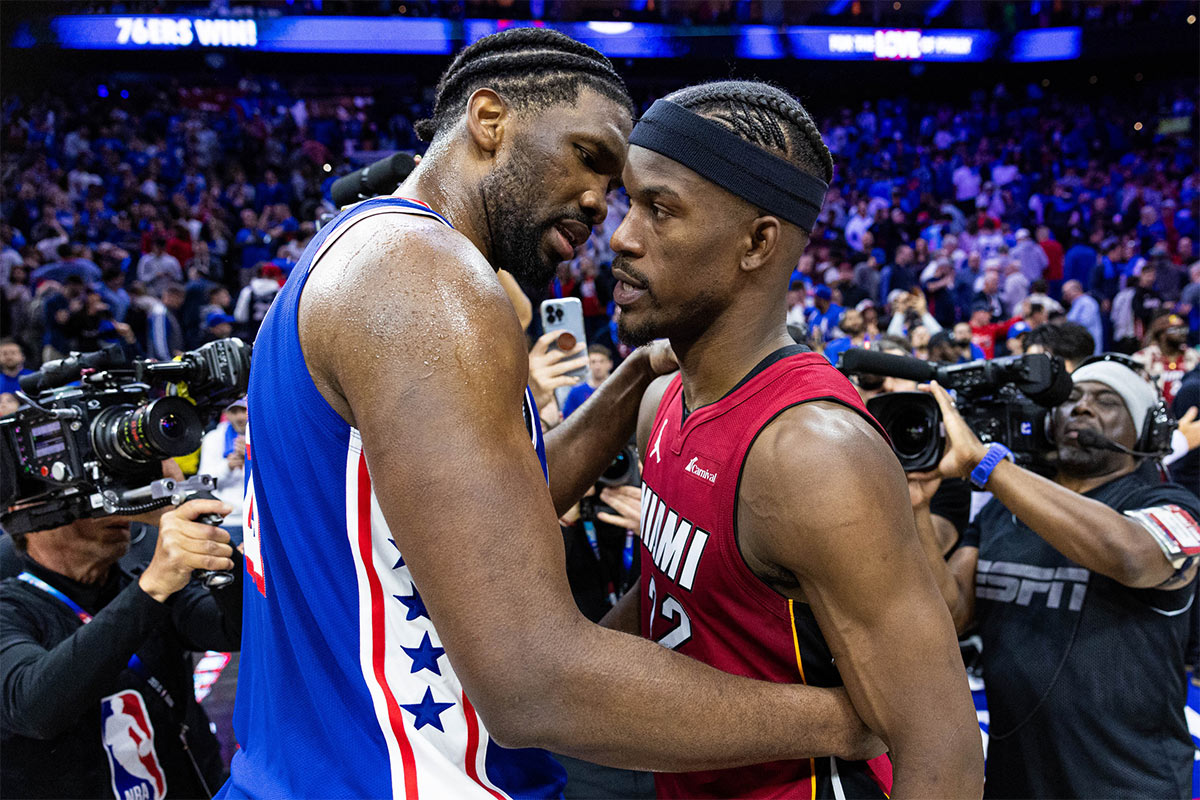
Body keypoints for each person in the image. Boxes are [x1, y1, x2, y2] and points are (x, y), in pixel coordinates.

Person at [223, 31, 881, 800]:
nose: (603, 203)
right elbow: (535, 681)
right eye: (589, 157)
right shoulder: (432, 282)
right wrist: (847, 721)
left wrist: (632, 376)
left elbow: (494, 516)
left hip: (308, 770)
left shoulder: (358, 249)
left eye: (623, 185)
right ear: (490, 118)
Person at [604, 81, 982, 798]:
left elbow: (943, 753)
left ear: (757, 242)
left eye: (659, 208)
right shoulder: (664, 401)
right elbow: (671, 602)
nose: (622, 235)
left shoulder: (813, 452)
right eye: (629, 203)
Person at [909, 356, 1199, 798]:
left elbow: (1130, 556)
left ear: (1143, 433)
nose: (1081, 408)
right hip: (1013, 778)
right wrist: (917, 507)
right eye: (1072, 398)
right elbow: (950, 615)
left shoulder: (1171, 503)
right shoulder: (1007, 506)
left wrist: (989, 467)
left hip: (1131, 782)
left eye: (1106, 401)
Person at [0, 468, 242, 799]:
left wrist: (210, 534)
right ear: (27, 512)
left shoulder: (145, 585)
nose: (110, 504)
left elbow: (237, 629)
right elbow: (35, 709)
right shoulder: (11, 609)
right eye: (85, 489)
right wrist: (151, 588)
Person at [197, 397, 248, 543]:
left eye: (243, 410)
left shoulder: (263, 436)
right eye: (234, 411)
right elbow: (203, 482)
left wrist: (250, 460)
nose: (239, 417)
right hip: (226, 520)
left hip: (256, 519)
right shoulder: (213, 438)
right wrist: (228, 466)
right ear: (227, 413)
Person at [561, 343, 614, 418]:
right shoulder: (576, 392)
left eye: (601, 361)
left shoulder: (617, 389)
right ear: (588, 364)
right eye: (593, 362)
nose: (597, 366)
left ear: (610, 364)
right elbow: (567, 421)